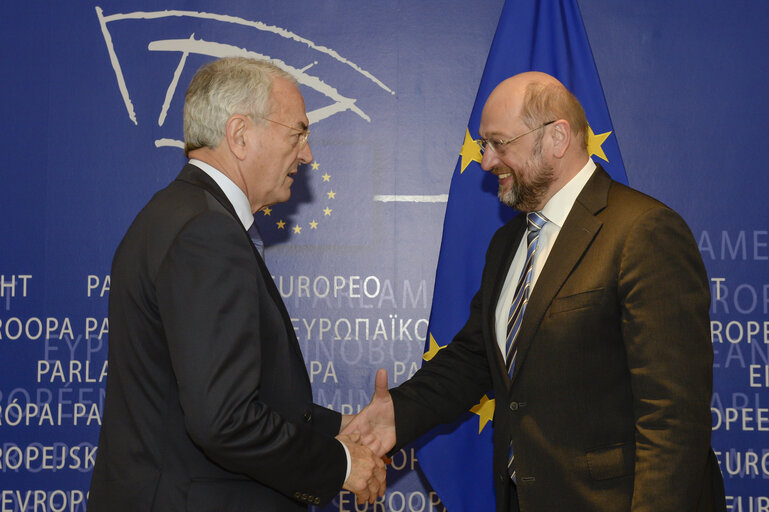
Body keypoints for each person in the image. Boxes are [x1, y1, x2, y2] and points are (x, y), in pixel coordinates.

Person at [345, 71, 726, 511]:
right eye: (484, 145)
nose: (486, 161)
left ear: (557, 137)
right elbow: (474, 360)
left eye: (499, 143)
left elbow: (673, 418)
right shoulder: (508, 243)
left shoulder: (643, 232)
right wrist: (398, 414)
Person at [88, 57, 385, 511]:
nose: (307, 154)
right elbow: (224, 420)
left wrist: (336, 429)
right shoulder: (206, 233)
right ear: (240, 134)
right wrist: (341, 465)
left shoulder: (176, 213)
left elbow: (219, 392)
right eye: (297, 133)